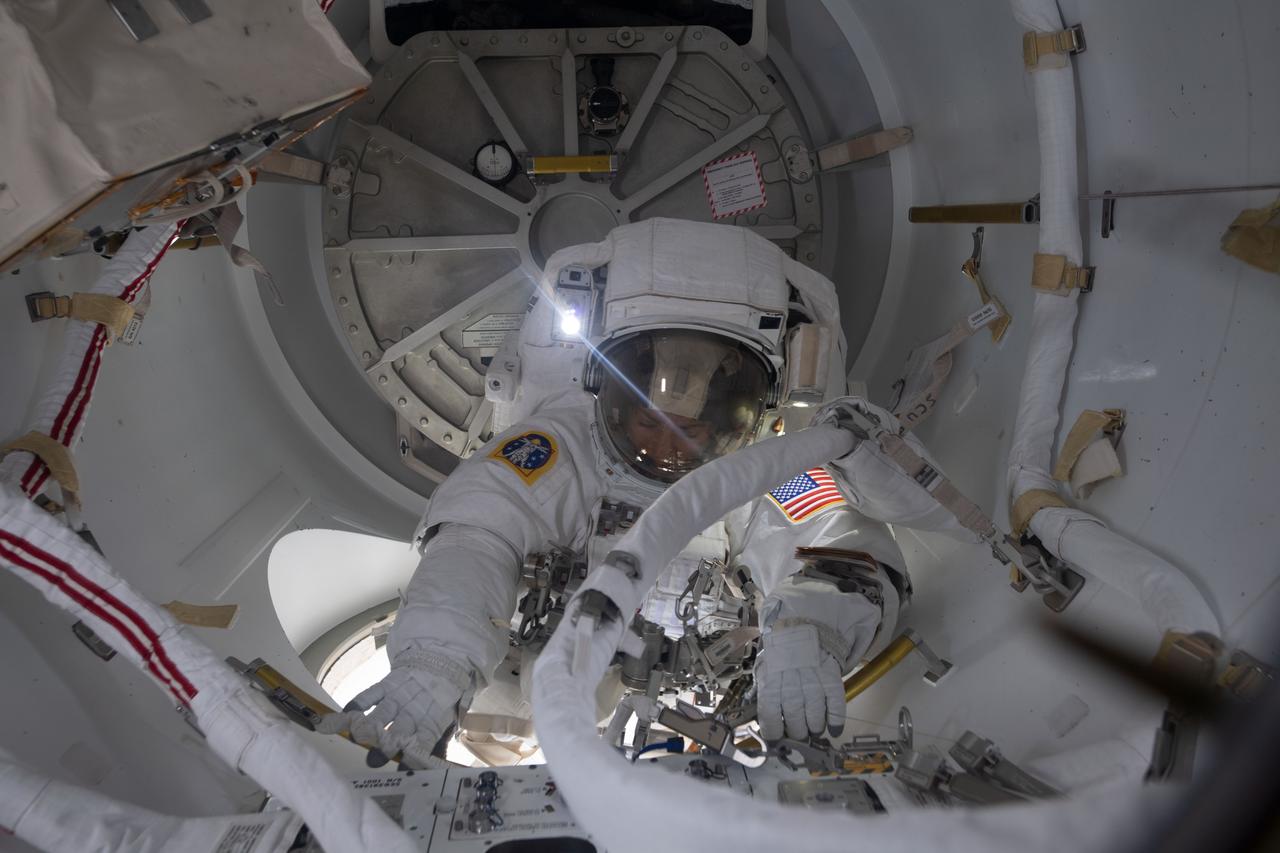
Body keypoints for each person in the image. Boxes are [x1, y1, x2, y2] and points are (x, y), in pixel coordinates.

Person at [319, 219, 910, 765]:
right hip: (552, 662)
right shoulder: (561, 440)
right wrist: (438, 657)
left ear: (740, 422)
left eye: (694, 431)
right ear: (613, 395)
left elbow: (839, 548)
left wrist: (808, 632)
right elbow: (478, 533)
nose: (668, 447)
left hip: (700, 704)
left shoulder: (769, 463)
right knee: (501, 727)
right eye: (649, 423)